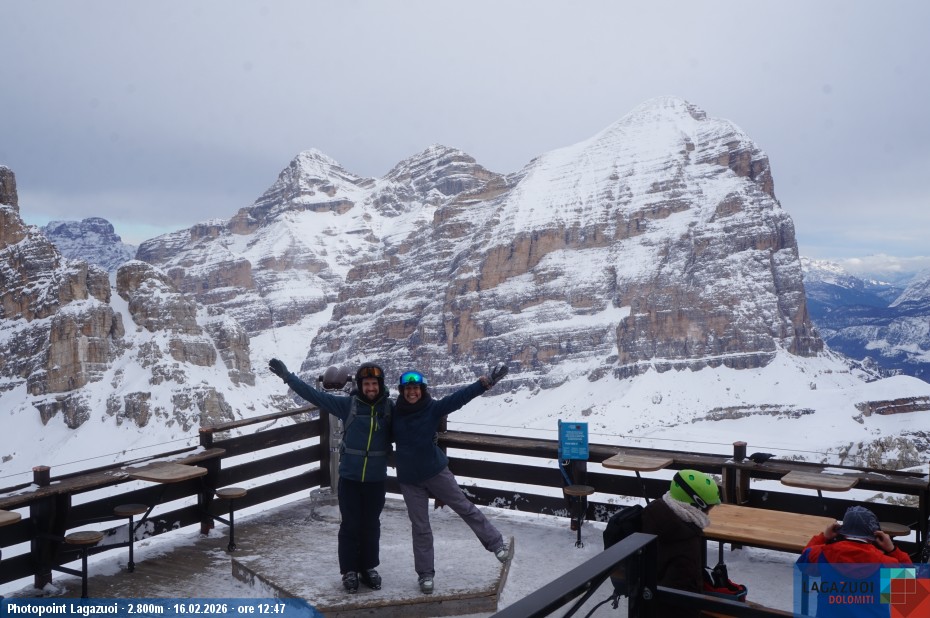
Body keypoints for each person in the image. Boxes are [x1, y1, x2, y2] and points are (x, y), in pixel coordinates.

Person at [268, 358, 392, 594]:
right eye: (366, 384)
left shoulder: (389, 409)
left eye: (374, 384)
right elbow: (315, 397)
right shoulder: (348, 406)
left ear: (380, 385)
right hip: (350, 479)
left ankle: (368, 567)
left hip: (376, 480)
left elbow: (413, 420)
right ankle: (349, 570)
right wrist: (288, 378)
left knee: (371, 525)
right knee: (350, 525)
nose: (371, 388)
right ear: (360, 386)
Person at [392, 366, 511, 594]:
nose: (412, 392)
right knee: (420, 527)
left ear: (422, 390)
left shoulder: (432, 408)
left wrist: (484, 384)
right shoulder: (394, 412)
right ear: (402, 391)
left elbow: (459, 399)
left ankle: (496, 543)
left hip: (436, 472)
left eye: (416, 388)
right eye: (408, 389)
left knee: (464, 507)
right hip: (409, 479)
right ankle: (425, 574)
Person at [797, 505, 912, 617]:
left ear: (843, 531)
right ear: (873, 534)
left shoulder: (823, 553)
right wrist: (892, 550)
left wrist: (824, 537)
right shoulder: (886, 564)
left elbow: (804, 563)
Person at [640, 469, 722, 618]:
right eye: (709, 507)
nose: (708, 513)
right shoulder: (686, 543)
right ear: (697, 504)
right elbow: (684, 599)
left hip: (645, 601)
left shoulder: (655, 512)